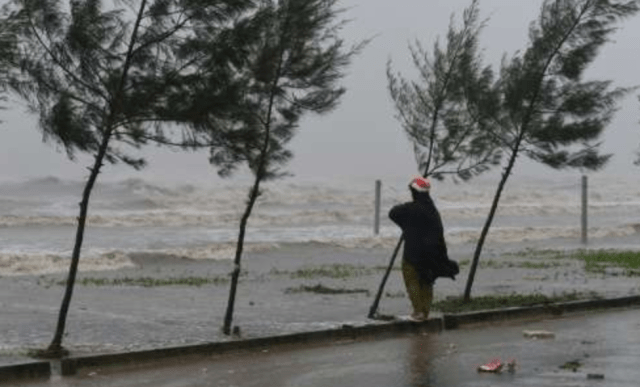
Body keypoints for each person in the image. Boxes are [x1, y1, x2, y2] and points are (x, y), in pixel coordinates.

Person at [389, 176, 458, 321]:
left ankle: (418, 311)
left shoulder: (409, 209)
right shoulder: (433, 210)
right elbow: (439, 232)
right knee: (427, 280)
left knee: (412, 279)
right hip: (432, 253)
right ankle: (425, 312)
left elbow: (392, 213)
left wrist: (405, 219)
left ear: (414, 191)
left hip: (413, 252)